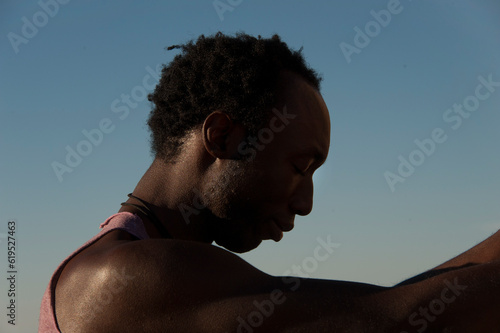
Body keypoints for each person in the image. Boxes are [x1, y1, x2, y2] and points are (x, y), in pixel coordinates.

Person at [39, 32, 500, 332]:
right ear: (222, 137)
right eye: (300, 168)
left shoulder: (150, 265)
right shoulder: (121, 279)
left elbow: (387, 308)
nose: (306, 204)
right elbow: (390, 321)